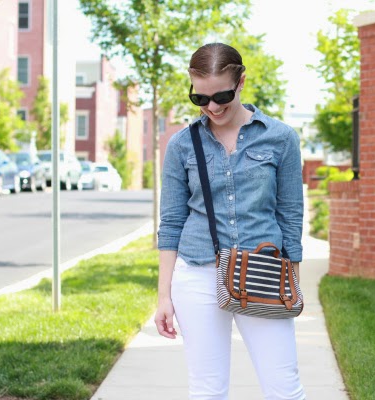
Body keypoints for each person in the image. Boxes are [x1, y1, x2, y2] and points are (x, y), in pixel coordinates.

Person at [154, 42, 305, 400]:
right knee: (207, 388)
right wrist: (164, 296)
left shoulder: (280, 138)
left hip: (263, 270)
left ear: (241, 83)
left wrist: (293, 285)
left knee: (284, 387)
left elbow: (291, 216)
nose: (212, 107)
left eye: (221, 95)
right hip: (198, 272)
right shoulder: (181, 145)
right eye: (200, 98)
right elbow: (172, 221)